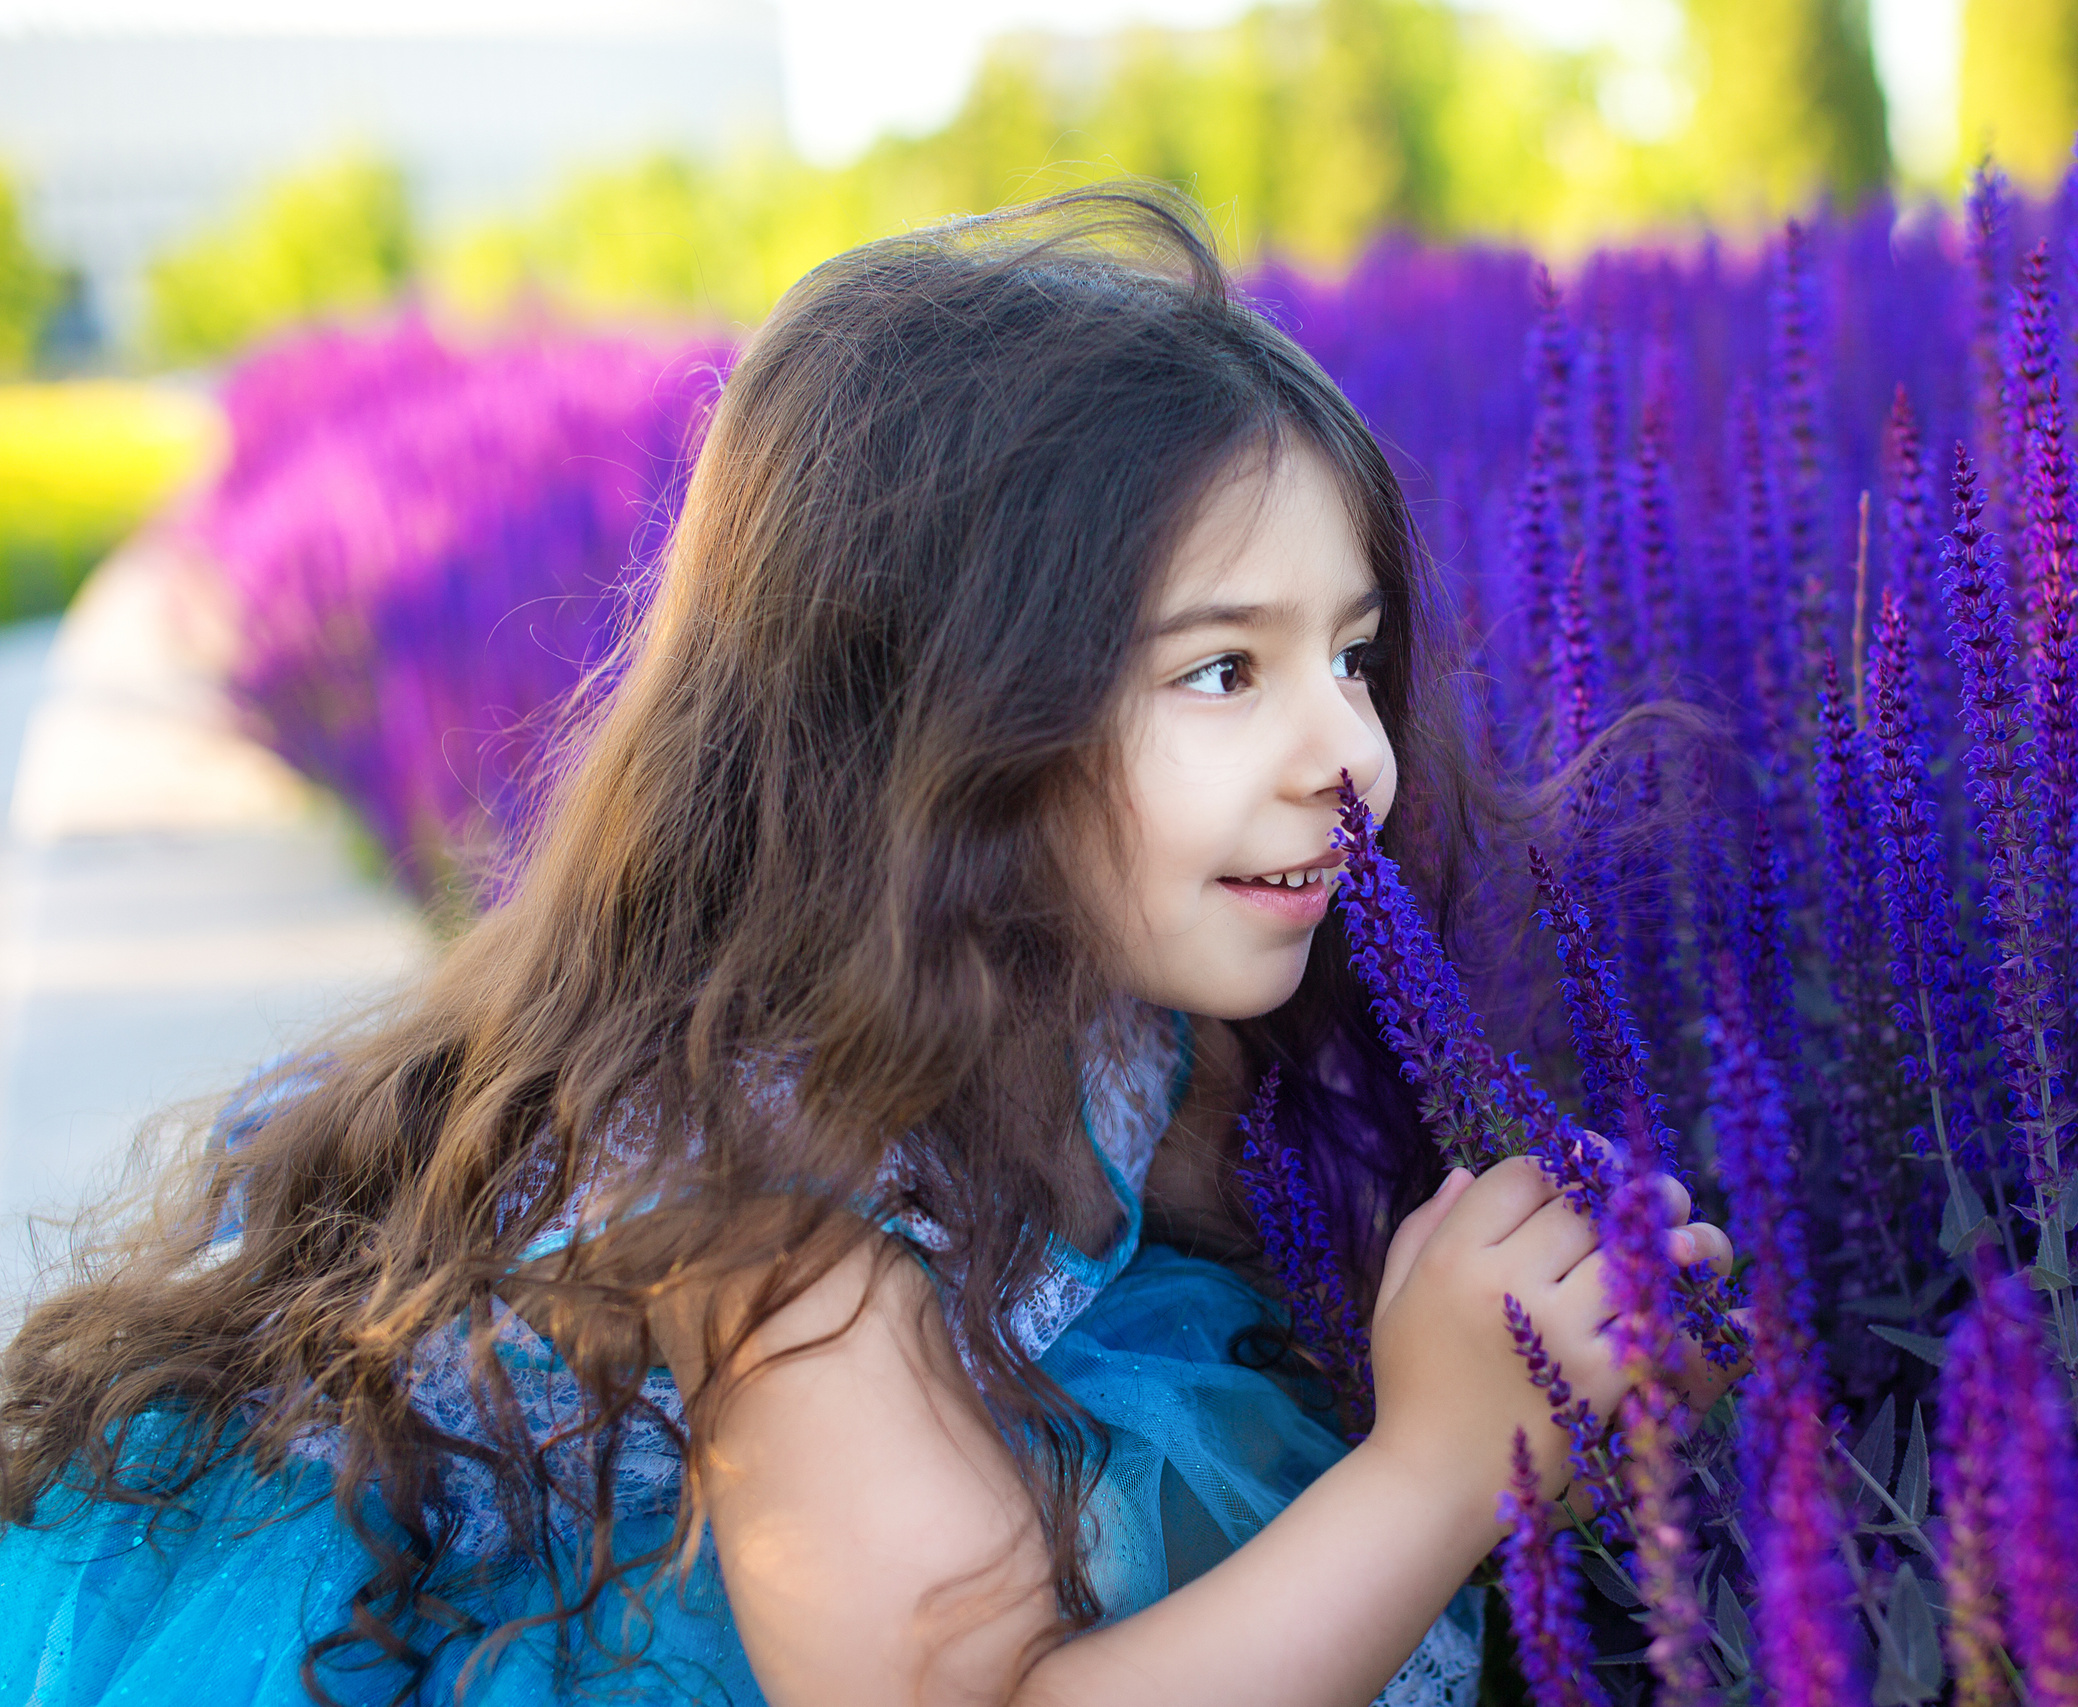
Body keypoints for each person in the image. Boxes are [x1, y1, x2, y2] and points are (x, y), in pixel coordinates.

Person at [0, 186, 1741, 1707]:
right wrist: (1440, 1465)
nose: (1347, 754)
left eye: (1352, 654)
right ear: (944, 733)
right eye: (1225, 670)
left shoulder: (1126, 1008)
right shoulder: (773, 1236)